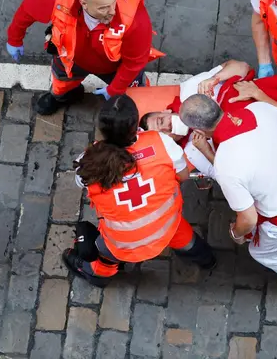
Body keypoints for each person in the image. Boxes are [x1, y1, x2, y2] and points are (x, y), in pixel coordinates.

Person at [179, 88, 277, 302]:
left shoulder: (226, 163)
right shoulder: (259, 109)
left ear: (197, 129)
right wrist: (263, 96)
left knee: (263, 253)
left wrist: (236, 233)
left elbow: (249, 218)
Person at [61, 95, 216, 287]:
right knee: (184, 237)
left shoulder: (88, 162)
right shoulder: (161, 142)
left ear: (103, 130)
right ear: (136, 124)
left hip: (123, 243)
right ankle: (207, 260)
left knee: (105, 250)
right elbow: (182, 176)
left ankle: (98, 274)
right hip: (167, 226)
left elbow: (81, 181)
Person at [6, 0, 163, 115]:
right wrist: (14, 39)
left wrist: (115, 89)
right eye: (104, 8)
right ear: (84, 3)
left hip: (115, 67)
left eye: (113, 3)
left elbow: (135, 62)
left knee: (136, 96)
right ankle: (64, 96)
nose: (113, 11)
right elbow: (27, 9)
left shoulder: (135, 18)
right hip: (70, 59)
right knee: (61, 85)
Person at [139, 60, 252, 177]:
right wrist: (207, 151)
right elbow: (229, 177)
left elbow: (242, 67)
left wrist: (215, 78)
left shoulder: (190, 89)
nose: (167, 127)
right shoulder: (194, 150)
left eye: (161, 121)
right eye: (163, 134)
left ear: (166, 111)